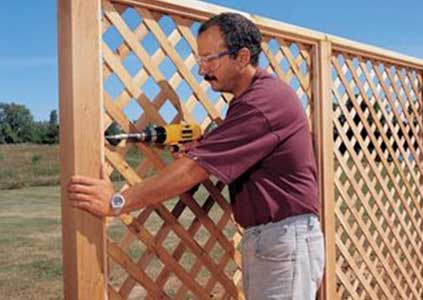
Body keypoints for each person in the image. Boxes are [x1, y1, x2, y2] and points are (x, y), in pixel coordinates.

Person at [67, 12, 324, 300]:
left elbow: (193, 171)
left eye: (210, 59)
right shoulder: (250, 102)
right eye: (200, 59)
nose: (202, 70)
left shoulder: (263, 103)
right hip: (272, 239)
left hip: (283, 240)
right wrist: (200, 149)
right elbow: (220, 151)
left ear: (241, 57)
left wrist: (117, 201)